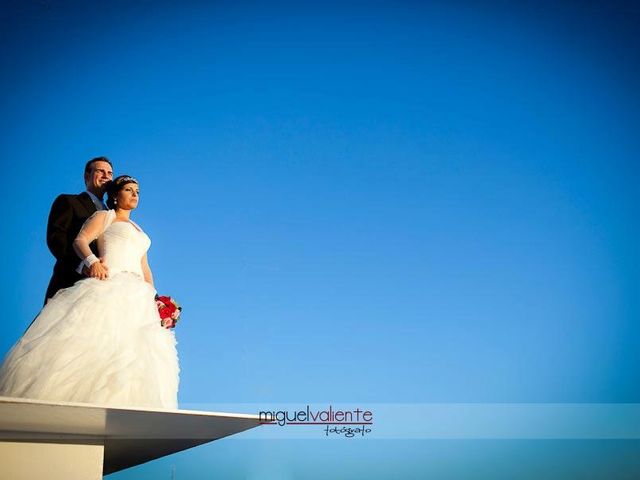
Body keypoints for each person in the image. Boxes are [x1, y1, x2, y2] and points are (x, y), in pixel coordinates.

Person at [0, 175, 179, 409]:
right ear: (115, 195)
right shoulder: (105, 216)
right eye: (128, 189)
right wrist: (92, 262)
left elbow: (145, 267)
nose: (135, 194)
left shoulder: (139, 230)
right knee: (95, 341)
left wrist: (155, 298)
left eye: (138, 191)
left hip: (138, 295)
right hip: (110, 282)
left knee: (135, 354)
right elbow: (80, 240)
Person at [45, 157, 113, 303]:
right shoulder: (69, 202)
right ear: (87, 176)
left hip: (105, 292)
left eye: (110, 173)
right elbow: (56, 238)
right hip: (70, 284)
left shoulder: (113, 215)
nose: (106, 176)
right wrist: (83, 264)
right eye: (101, 171)